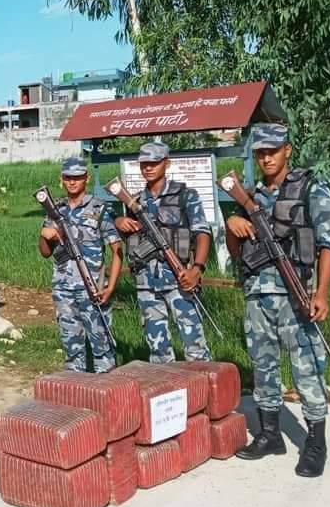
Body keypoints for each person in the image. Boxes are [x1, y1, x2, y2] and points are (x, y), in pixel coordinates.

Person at [225, 123, 330, 478]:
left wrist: (322, 292)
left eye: (273, 150)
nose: (267, 157)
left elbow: (327, 242)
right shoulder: (250, 195)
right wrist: (233, 227)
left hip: (296, 295)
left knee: (307, 369)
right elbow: (236, 252)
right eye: (260, 152)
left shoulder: (309, 187)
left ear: (288, 150)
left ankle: (315, 443)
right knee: (263, 367)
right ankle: (270, 434)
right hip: (258, 295)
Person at [115, 142, 213, 363]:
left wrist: (197, 269)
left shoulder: (185, 195)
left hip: (180, 279)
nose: (148, 168)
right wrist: (120, 222)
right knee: (158, 349)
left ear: (166, 163)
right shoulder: (134, 201)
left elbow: (202, 233)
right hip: (146, 283)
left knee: (194, 345)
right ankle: (166, 394)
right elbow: (131, 238)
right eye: (144, 164)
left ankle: (202, 393)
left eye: (154, 163)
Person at [38, 157, 123, 373]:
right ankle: (77, 393)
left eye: (77, 178)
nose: (73, 182)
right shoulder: (55, 209)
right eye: (68, 178)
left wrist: (110, 287)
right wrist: (45, 235)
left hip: (92, 288)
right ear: (61, 180)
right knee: (71, 346)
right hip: (63, 288)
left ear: (86, 178)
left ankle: (109, 395)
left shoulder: (99, 208)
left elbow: (117, 251)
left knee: (102, 346)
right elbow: (45, 253)